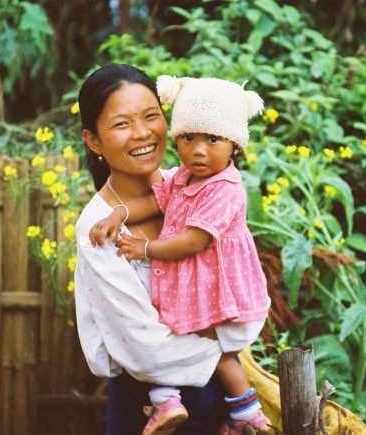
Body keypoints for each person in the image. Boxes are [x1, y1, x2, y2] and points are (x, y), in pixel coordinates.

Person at [89, 75, 272, 435]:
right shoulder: (185, 178)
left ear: (235, 145)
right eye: (188, 138)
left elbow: (193, 242)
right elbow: (156, 199)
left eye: (213, 139)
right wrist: (118, 214)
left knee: (215, 347)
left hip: (213, 288)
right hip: (191, 287)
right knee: (173, 324)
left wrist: (144, 248)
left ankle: (246, 412)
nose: (199, 150)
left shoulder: (224, 189)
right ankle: (169, 402)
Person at [74, 64, 230, 435]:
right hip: (150, 413)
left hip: (224, 405)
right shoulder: (97, 230)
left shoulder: (197, 187)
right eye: (122, 124)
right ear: (94, 141)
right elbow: (146, 350)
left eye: (151, 116)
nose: (143, 133)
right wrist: (228, 349)